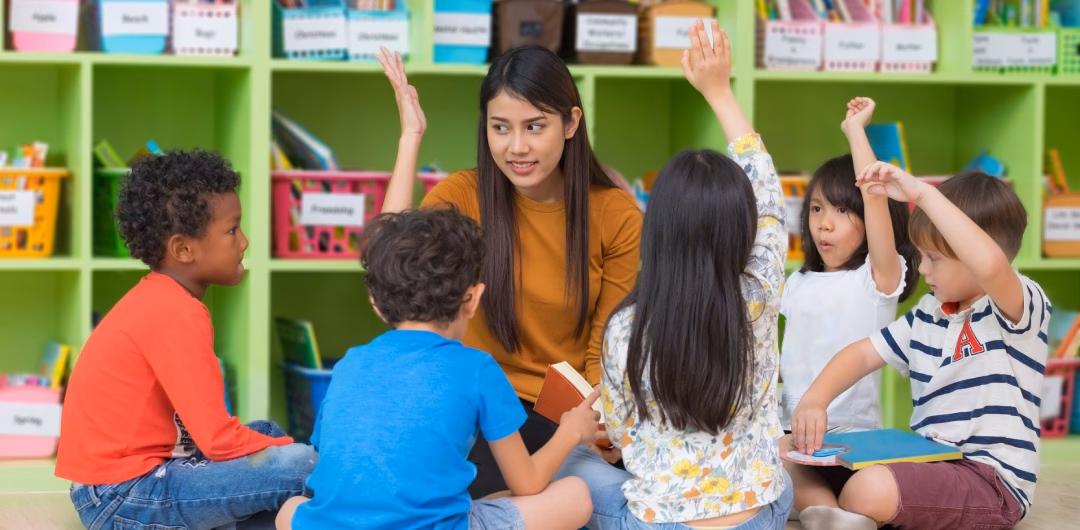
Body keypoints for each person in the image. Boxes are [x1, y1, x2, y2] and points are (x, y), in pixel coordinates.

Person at [375, 43, 643, 497]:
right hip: (469, 406)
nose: (516, 147)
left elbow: (608, 352)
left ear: (571, 123)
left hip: (560, 417)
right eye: (500, 128)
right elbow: (390, 275)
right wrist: (410, 138)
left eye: (534, 127)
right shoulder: (462, 195)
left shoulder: (615, 214)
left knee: (610, 499)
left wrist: (604, 425)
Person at [555, 20, 793, 529]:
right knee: (781, 471)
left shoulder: (626, 329)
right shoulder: (762, 287)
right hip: (758, 515)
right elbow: (769, 196)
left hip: (659, 520)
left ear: (657, 227)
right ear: (742, 226)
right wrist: (719, 91)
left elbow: (619, 439)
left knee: (571, 463)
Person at [277, 207, 599, 529]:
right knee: (575, 495)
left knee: (291, 509)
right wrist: (571, 431)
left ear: (375, 302)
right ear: (472, 299)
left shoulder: (350, 363)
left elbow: (332, 467)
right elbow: (526, 483)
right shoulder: (477, 367)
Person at [55, 150, 316, 528]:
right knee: (301, 463)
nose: (244, 242)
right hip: (122, 497)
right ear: (183, 249)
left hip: (116, 486)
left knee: (268, 434)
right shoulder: (178, 312)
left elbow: (207, 434)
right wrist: (296, 453)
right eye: (232, 230)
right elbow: (218, 441)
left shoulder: (160, 298)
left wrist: (276, 445)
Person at [790, 162, 1047, 530]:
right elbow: (863, 353)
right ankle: (830, 516)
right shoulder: (928, 313)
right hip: (931, 460)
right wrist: (814, 400)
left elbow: (990, 265)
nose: (923, 269)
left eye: (934, 258)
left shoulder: (1018, 307)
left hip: (990, 481)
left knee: (869, 487)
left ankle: (848, 509)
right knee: (786, 458)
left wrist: (923, 194)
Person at [778, 98, 918, 514]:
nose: (825, 222)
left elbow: (874, 199)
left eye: (842, 210)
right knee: (770, 453)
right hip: (793, 436)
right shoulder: (797, 281)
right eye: (817, 208)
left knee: (776, 457)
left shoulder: (877, 280)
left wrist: (856, 131)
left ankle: (825, 509)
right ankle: (827, 513)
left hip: (851, 439)